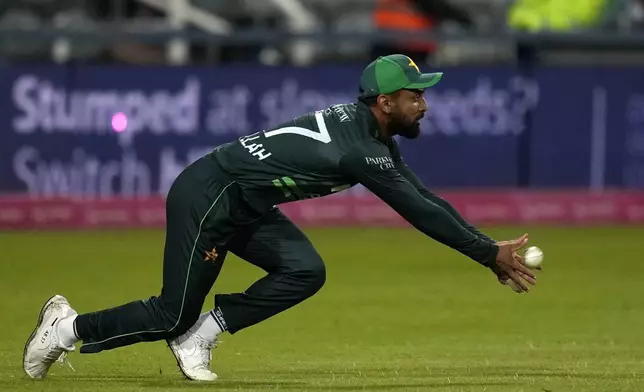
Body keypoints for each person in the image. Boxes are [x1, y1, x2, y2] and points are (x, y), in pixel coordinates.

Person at [23, 54, 536, 382]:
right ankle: (65, 328)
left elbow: (423, 196)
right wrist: (487, 253)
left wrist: (487, 248)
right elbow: (418, 210)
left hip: (243, 200)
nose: (424, 104)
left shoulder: (370, 133)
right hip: (209, 194)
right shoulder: (361, 149)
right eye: (415, 95)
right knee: (169, 312)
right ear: (385, 102)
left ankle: (201, 337)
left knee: (305, 270)